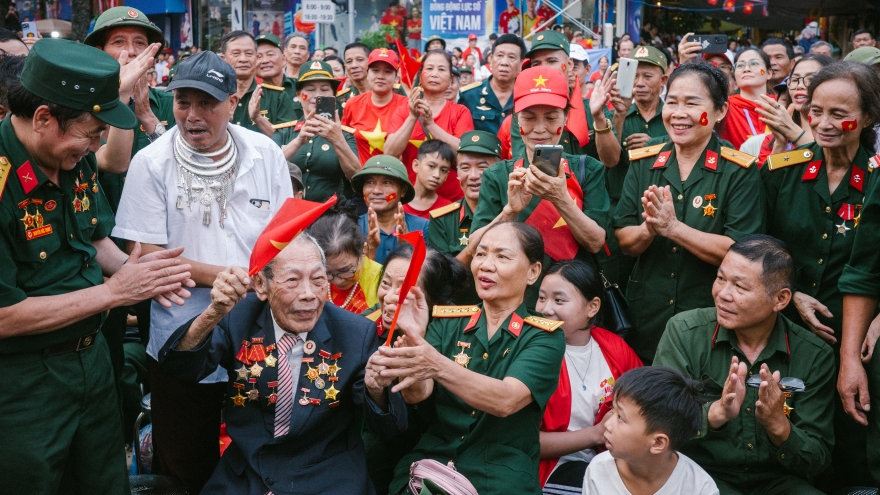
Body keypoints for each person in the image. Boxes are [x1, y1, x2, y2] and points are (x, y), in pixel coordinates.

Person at [0, 38, 194, 495]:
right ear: (44, 118)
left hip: (92, 364)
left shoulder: (69, 157)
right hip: (23, 383)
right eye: (89, 133)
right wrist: (114, 293)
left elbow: (92, 235)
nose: (94, 147)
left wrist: (139, 272)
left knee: (105, 482)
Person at [112, 50, 293, 492]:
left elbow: (286, 237)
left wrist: (259, 280)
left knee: (261, 450)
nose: (192, 115)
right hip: (181, 335)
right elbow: (153, 259)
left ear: (234, 102)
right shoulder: (151, 163)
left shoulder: (264, 154)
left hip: (260, 333)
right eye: (182, 102)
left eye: (207, 103)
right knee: (186, 462)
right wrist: (232, 277)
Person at [159, 234, 407, 494]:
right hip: (248, 471)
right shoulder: (238, 317)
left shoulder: (356, 333)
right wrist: (213, 313)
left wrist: (377, 389)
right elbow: (179, 367)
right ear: (261, 285)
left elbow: (389, 428)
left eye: (318, 279)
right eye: (292, 280)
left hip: (326, 475)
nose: (309, 294)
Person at [372, 222, 566, 495]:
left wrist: (436, 363)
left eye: (502, 256)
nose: (486, 265)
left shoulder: (543, 336)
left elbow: (506, 400)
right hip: (433, 462)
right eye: (481, 254)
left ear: (533, 272)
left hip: (500, 475)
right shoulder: (448, 321)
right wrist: (413, 342)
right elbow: (419, 394)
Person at [763, 62, 880, 489]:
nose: (824, 123)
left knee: (853, 441)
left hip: (858, 339)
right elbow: (758, 248)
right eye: (815, 111)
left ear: (868, 117)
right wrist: (788, 294)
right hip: (784, 331)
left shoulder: (875, 178)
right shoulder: (782, 171)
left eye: (839, 113)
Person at [654, 235, 833, 495]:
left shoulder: (814, 355)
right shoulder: (684, 332)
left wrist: (778, 425)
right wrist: (715, 414)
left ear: (781, 299)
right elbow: (657, 423)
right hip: (703, 476)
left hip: (780, 482)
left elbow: (818, 460)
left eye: (740, 287)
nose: (722, 294)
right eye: (720, 278)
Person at [613, 62, 765, 363]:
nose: (678, 113)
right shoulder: (645, 161)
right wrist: (649, 229)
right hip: (648, 314)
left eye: (692, 103)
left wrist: (673, 228)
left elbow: (740, 251)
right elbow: (623, 238)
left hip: (709, 316)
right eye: (672, 103)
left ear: (720, 111)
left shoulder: (738, 170)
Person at [471, 67, 611, 307]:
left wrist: (560, 198)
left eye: (550, 117)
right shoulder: (498, 175)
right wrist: (510, 211)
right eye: (529, 117)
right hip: (514, 305)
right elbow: (475, 248)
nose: (539, 128)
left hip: (573, 306)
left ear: (566, 117)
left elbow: (596, 241)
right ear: (516, 118)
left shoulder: (588, 170)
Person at [362, 242, 469, 494]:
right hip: (382, 446)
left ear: (432, 300)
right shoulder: (364, 327)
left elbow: (427, 408)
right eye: (386, 283)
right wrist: (376, 391)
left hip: (439, 453)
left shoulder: (456, 334)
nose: (389, 297)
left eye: (405, 290)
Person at [536, 260, 643, 492]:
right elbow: (523, 441)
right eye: (542, 298)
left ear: (592, 307)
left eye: (559, 300)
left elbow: (647, 404)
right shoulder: (532, 352)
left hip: (616, 461)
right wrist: (595, 434)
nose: (546, 309)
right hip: (551, 469)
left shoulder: (614, 347)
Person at [583, 367, 718, 495]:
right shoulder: (598, 471)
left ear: (658, 443)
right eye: (613, 410)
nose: (607, 424)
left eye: (620, 417)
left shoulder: (699, 488)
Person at [602, 45, 670, 292]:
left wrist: (655, 146)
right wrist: (618, 118)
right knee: (615, 282)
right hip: (618, 210)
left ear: (663, 80)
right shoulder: (612, 113)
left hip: (663, 211)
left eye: (648, 76)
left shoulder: (673, 115)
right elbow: (608, 159)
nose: (640, 83)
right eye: (635, 76)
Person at [385, 50, 474, 202]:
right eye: (429, 68)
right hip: (410, 199)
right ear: (420, 76)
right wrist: (413, 117)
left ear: (451, 79)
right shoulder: (403, 110)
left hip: (452, 201)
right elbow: (389, 153)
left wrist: (431, 125)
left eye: (441, 69)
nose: (434, 74)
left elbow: (464, 151)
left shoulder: (460, 112)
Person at [273, 60, 359, 202]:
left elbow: (356, 176)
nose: (317, 95)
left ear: (334, 95)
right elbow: (268, 167)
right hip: (288, 210)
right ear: (299, 95)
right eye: (310, 89)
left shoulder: (345, 134)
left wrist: (338, 140)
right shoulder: (284, 132)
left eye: (325, 90)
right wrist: (298, 141)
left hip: (331, 212)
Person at [428, 130, 502, 257]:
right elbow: (443, 275)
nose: (473, 176)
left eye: (482, 167)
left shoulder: (514, 210)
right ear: (457, 173)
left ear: (500, 170)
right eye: (465, 168)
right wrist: (471, 248)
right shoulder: (443, 220)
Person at [753, 54, 834, 165]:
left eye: (811, 79)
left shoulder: (836, 132)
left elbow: (832, 163)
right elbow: (765, 181)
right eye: (795, 80)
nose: (799, 86)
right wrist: (780, 145)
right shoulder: (772, 140)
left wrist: (791, 130)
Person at [354, 155, 429, 264]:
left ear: (403, 190)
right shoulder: (352, 227)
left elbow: (431, 275)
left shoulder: (424, 227)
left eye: (386, 182)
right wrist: (370, 251)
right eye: (370, 182)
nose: (377, 190)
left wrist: (407, 247)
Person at [308, 206, 383, 315]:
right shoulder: (310, 280)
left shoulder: (382, 281)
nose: (338, 281)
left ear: (364, 250)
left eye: (346, 271)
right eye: (327, 273)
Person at [220, 31, 296, 136]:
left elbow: (289, 141)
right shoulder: (214, 95)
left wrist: (258, 119)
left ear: (256, 58)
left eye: (249, 54)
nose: (243, 59)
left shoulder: (277, 96)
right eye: (236, 53)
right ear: (223, 59)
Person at [342, 48, 409, 164]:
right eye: (375, 70)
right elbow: (344, 141)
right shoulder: (352, 104)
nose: (380, 76)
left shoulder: (407, 106)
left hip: (397, 175)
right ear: (367, 74)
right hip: (361, 176)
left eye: (387, 72)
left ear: (396, 77)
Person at [459, 34, 525, 134]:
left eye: (511, 57)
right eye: (499, 56)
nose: (504, 62)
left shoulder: (527, 95)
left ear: (521, 64)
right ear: (491, 60)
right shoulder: (470, 95)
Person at [718, 48, 772, 150]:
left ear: (769, 73)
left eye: (754, 63)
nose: (746, 69)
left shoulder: (781, 104)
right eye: (740, 65)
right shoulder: (724, 107)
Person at [338, 42, 407, 113]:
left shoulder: (395, 90)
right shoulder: (341, 98)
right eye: (349, 61)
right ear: (345, 67)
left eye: (360, 60)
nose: (354, 65)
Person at [404, 140, 454, 218]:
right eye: (431, 166)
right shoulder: (394, 202)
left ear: (447, 175)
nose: (437, 175)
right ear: (416, 165)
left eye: (443, 170)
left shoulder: (449, 209)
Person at [255, 33, 295, 102]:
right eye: (259, 56)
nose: (265, 61)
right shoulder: (249, 93)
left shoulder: (299, 87)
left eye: (270, 54)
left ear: (283, 60)